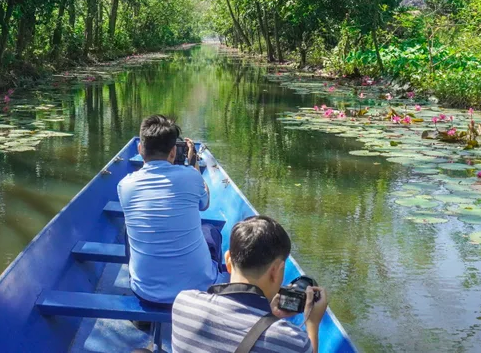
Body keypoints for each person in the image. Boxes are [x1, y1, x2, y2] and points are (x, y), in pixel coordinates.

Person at [171, 216, 330, 353]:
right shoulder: (292, 341)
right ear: (275, 271)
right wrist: (312, 324)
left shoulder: (184, 302)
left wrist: (269, 316)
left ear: (228, 261)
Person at [117, 115, 226, 306]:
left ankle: (144, 313)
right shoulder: (191, 177)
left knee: (128, 231)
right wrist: (193, 166)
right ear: (173, 152)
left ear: (140, 149)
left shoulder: (125, 185)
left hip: (145, 292)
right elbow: (205, 204)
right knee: (210, 231)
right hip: (197, 291)